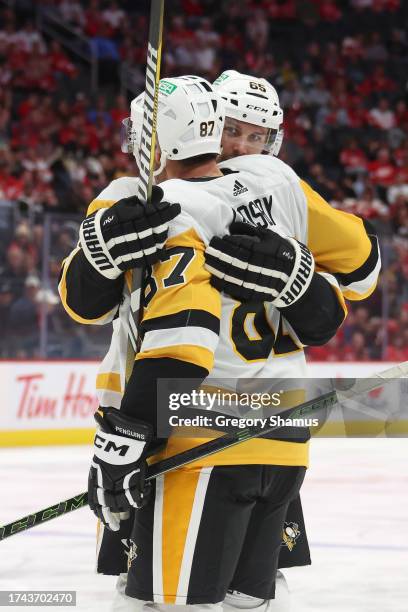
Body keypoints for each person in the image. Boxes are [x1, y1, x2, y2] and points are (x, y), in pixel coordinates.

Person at [59, 75, 350, 612]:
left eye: (257, 137)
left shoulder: (162, 199)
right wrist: (98, 256)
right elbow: (357, 274)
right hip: (279, 427)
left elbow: (182, 340)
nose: (243, 147)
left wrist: (128, 436)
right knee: (250, 597)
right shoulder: (279, 184)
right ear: (212, 126)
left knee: (163, 598)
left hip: (193, 435)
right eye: (234, 131)